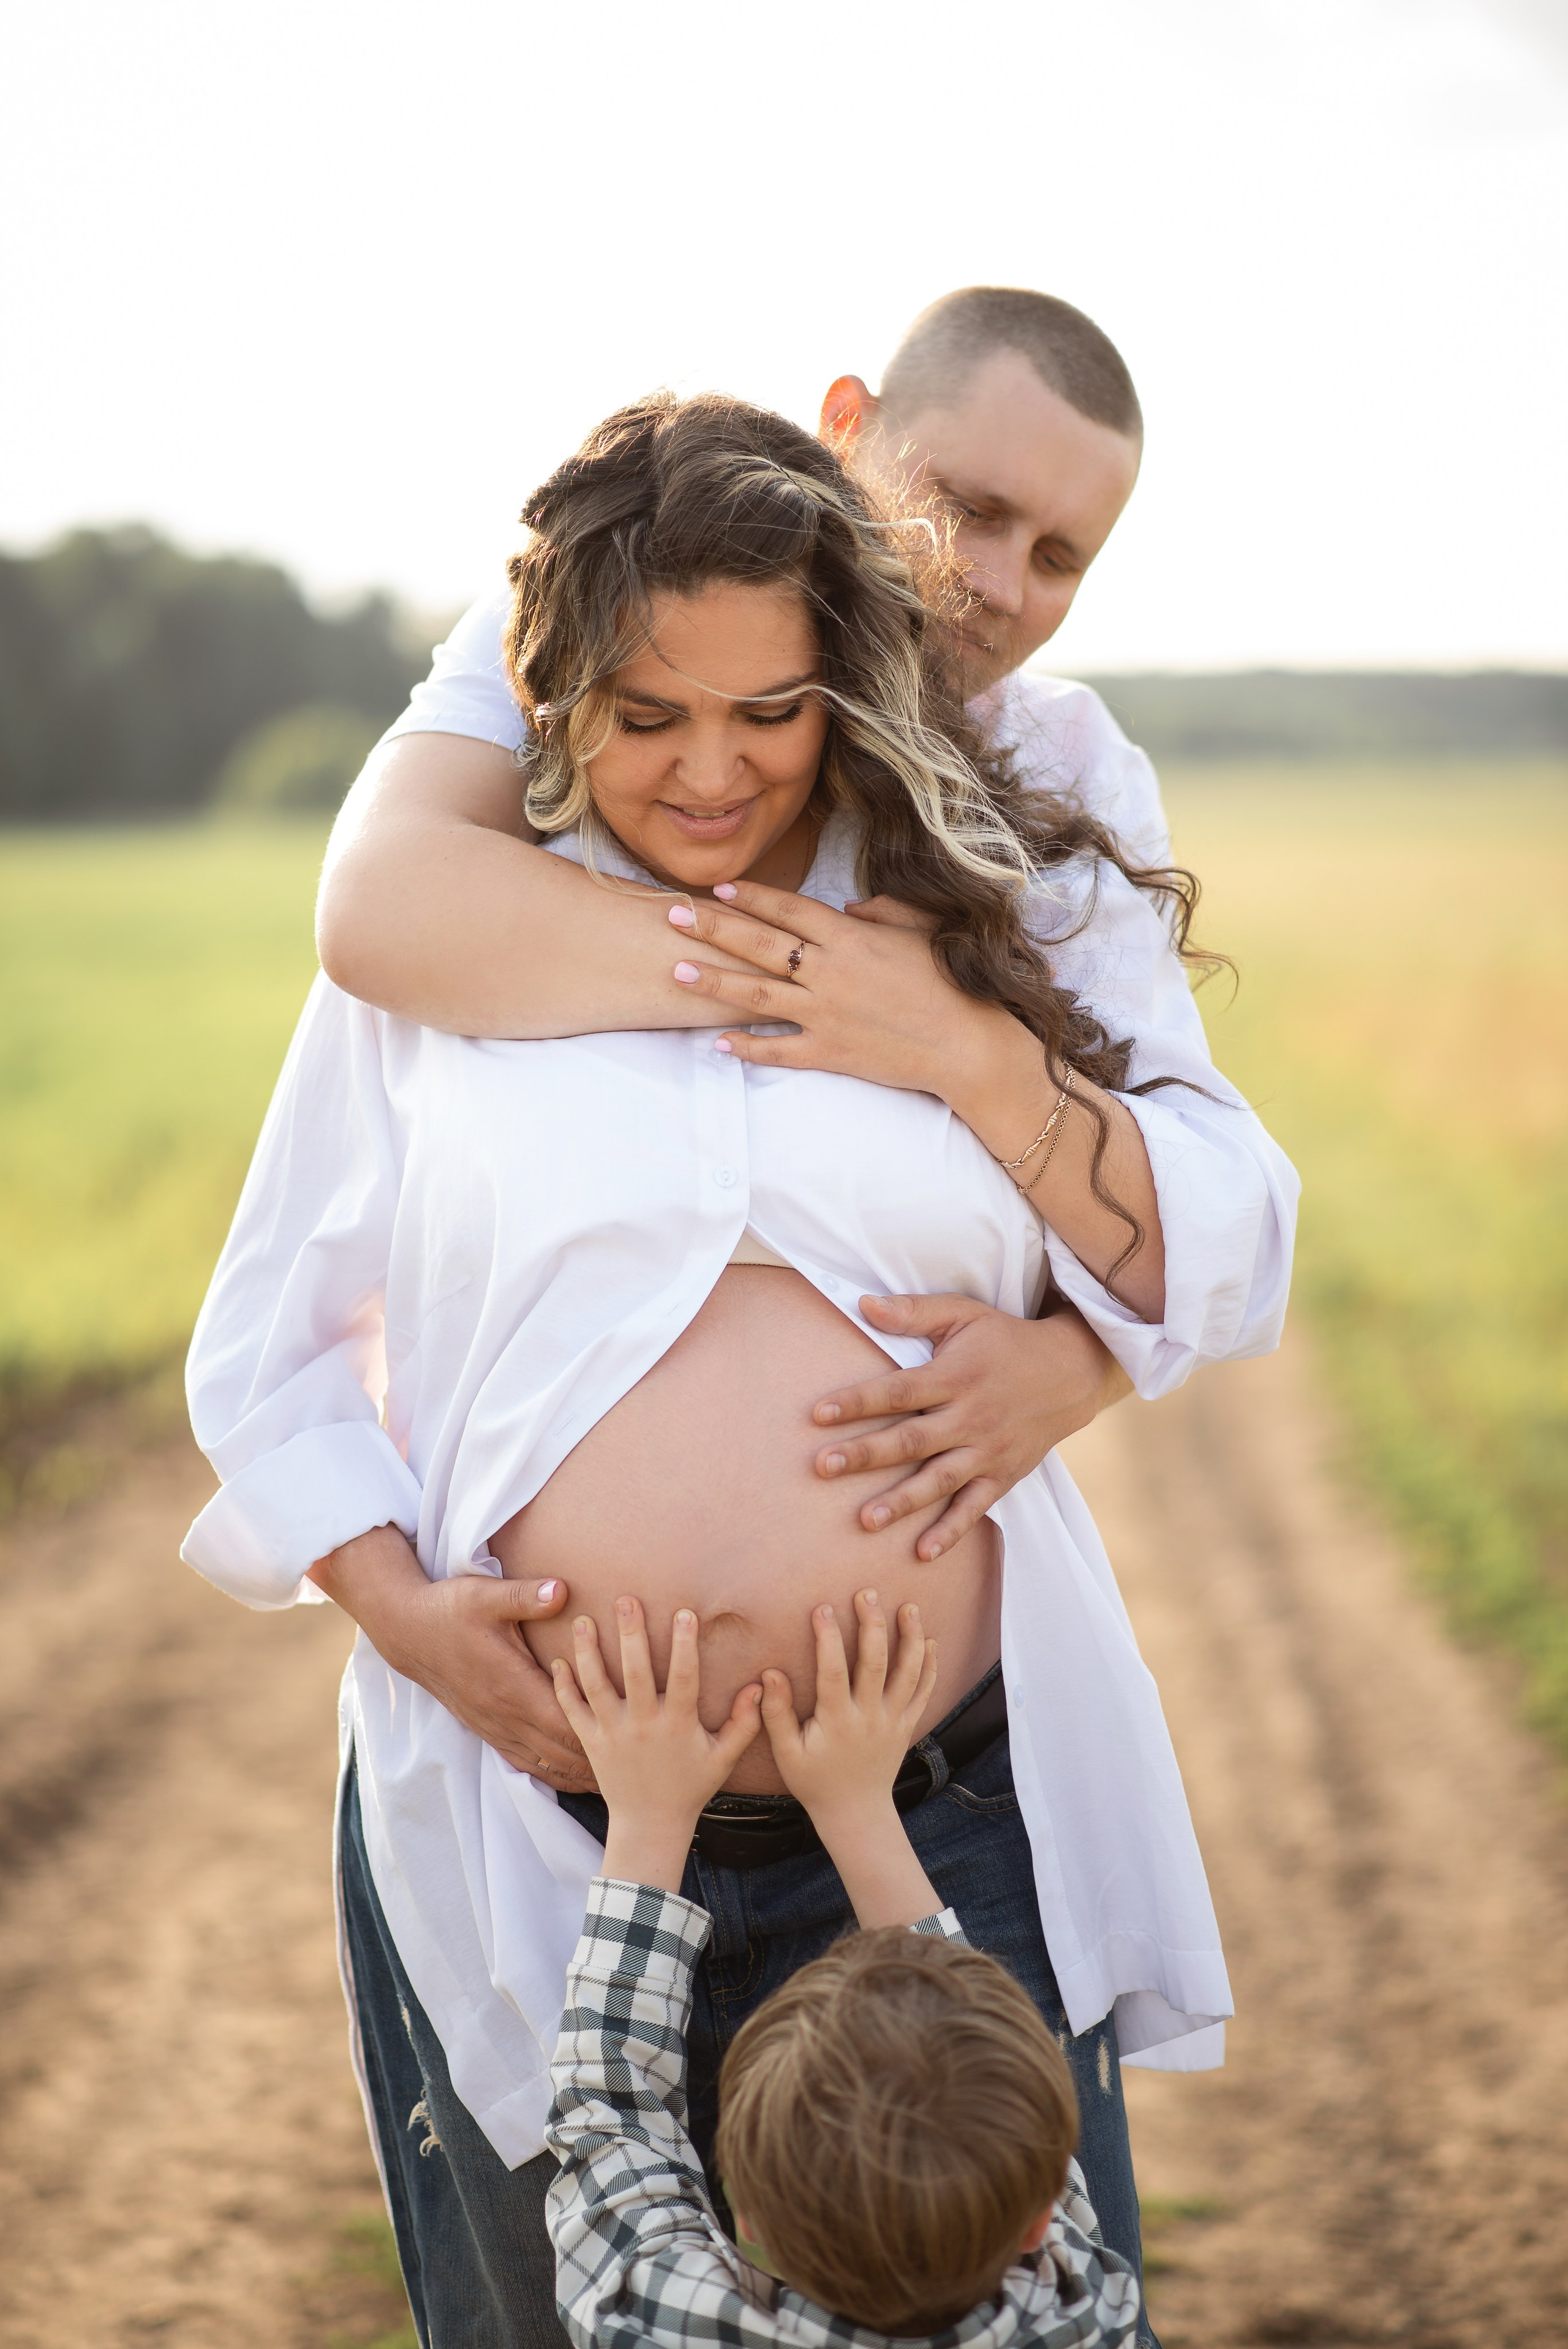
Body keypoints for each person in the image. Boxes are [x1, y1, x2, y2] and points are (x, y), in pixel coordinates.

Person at [182, 390, 1297, 2349]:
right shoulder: (458, 948)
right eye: (645, 717)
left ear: (837, 683)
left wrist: (990, 1120)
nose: (711, 771)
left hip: (942, 1822)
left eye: (769, 714)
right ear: (555, 709)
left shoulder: (982, 874)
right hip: (549, 1818)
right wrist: (408, 1620)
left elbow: (1218, 1233)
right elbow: (268, 1340)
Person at [312, 290, 1157, 1619]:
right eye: (968, 507)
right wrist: (810, 977)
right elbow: (375, 909)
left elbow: (1210, 1211)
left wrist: (1088, 1356)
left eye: (1058, 557)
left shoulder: (1067, 772)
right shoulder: (598, 620)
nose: (993, 584)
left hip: (942, 1779)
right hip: (527, 1795)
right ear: (845, 431)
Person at [544, 1588, 1140, 2349]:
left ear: (745, 2220)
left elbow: (608, 2115)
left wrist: (648, 1819)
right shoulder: (1079, 2312)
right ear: (1040, 2212)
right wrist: (859, 1807)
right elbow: (609, 2114)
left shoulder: (672, 2320)